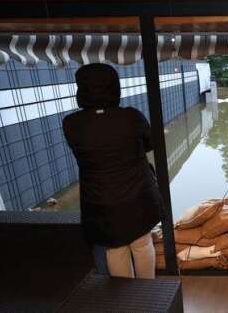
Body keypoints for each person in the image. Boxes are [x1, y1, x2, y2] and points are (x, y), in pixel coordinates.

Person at [63, 63, 162, 279]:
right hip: (138, 196)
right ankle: (150, 296)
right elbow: (150, 143)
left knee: (115, 249)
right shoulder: (131, 117)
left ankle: (125, 301)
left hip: (101, 202)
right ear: (114, 87)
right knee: (142, 244)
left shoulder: (71, 124)